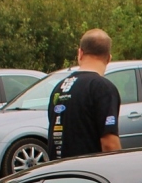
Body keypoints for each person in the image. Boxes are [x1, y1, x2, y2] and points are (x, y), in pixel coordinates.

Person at [48, 29, 122, 160]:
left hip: (59, 172)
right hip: (89, 174)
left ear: (80, 53)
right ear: (109, 58)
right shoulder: (103, 88)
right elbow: (109, 144)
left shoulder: (59, 88)